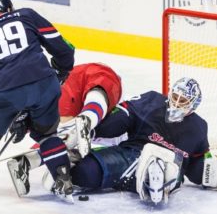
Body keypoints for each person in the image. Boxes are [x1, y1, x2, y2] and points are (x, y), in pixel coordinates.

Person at [67, 77, 213, 204]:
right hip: (131, 154)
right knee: (84, 173)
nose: (177, 103)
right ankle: (78, 161)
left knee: (170, 174)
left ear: (193, 104)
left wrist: (209, 172)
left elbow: (197, 165)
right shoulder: (152, 101)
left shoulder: (198, 128)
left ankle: (156, 168)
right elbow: (124, 115)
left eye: (183, 101)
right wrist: (93, 130)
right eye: (175, 97)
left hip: (171, 165)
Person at [0, 0, 75, 198]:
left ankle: (21, 116)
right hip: (45, 84)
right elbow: (64, 49)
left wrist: (11, 110)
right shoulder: (26, 15)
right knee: (47, 134)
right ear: (8, 8)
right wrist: (61, 70)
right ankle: (62, 177)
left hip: (5, 92)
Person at [7, 62, 122, 198]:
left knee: (66, 135)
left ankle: (26, 162)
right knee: (99, 92)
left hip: (68, 85)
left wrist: (25, 123)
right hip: (78, 81)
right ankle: (88, 118)